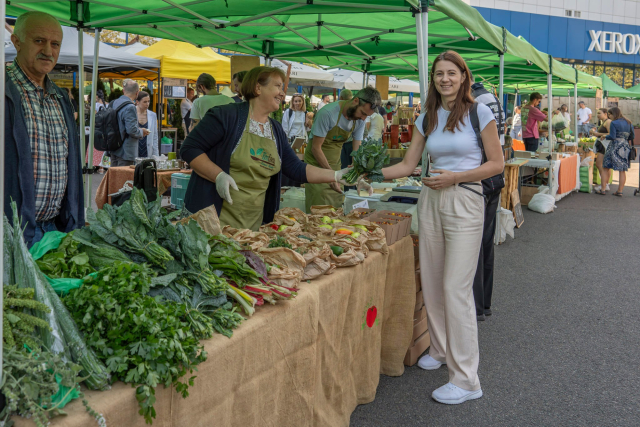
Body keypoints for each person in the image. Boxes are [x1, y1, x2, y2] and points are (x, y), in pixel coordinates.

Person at [379, 50, 503, 404]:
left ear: (464, 76)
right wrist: (363, 174)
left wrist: (456, 177)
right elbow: (407, 164)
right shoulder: (428, 116)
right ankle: (441, 348)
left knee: (455, 288)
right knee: (432, 281)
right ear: (432, 79)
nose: (445, 79)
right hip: (430, 201)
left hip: (464, 198)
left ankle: (466, 381)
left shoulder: (479, 111)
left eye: (451, 73)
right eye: (438, 74)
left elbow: (497, 163)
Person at [179, 66, 369, 231]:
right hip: (215, 220)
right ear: (257, 88)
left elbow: (296, 168)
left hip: (252, 224)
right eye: (278, 86)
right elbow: (190, 148)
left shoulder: (275, 129)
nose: (282, 92)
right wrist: (218, 175)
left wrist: (336, 175)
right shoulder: (226, 116)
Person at [4, 11, 84, 246]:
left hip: (55, 231)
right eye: (39, 41)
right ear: (16, 42)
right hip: (12, 233)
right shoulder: (5, 91)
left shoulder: (60, 98)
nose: (48, 51)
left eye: (55, 43)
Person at [305, 86, 380, 211]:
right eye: (362, 113)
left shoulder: (359, 121)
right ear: (355, 101)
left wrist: (357, 178)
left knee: (335, 209)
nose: (363, 119)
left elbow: (356, 152)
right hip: (316, 167)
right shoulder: (327, 113)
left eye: (366, 116)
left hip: (335, 165)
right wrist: (331, 176)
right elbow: (316, 148)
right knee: (318, 210)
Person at [470, 77, 506, 322]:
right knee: (485, 241)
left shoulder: (476, 104)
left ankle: (477, 306)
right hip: (493, 178)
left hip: (481, 177)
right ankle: (484, 304)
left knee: (474, 243)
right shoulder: (492, 98)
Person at [110, 79, 150, 166]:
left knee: (115, 178)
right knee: (124, 179)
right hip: (125, 152)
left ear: (123, 90)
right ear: (137, 93)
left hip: (113, 148)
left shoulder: (114, 103)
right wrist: (141, 131)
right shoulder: (130, 107)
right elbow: (131, 130)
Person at [599, 107, 634, 196]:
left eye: (610, 114)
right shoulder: (629, 122)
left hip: (614, 146)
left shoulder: (614, 123)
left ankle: (602, 189)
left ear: (613, 114)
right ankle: (620, 191)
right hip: (625, 147)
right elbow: (632, 136)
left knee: (605, 167)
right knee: (622, 170)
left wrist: (604, 136)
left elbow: (612, 136)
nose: (609, 116)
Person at [590, 108, 612, 193]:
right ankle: (605, 184)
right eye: (597, 113)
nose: (598, 115)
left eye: (600, 113)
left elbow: (610, 134)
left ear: (605, 113)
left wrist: (597, 134)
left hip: (604, 146)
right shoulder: (603, 122)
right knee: (605, 167)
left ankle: (604, 185)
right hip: (603, 145)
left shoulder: (608, 122)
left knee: (600, 165)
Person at [135, 91, 159, 158]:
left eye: (148, 101)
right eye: (145, 102)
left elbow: (155, 136)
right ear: (137, 102)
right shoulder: (132, 113)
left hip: (148, 150)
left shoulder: (152, 115)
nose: (147, 104)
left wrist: (156, 155)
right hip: (135, 149)